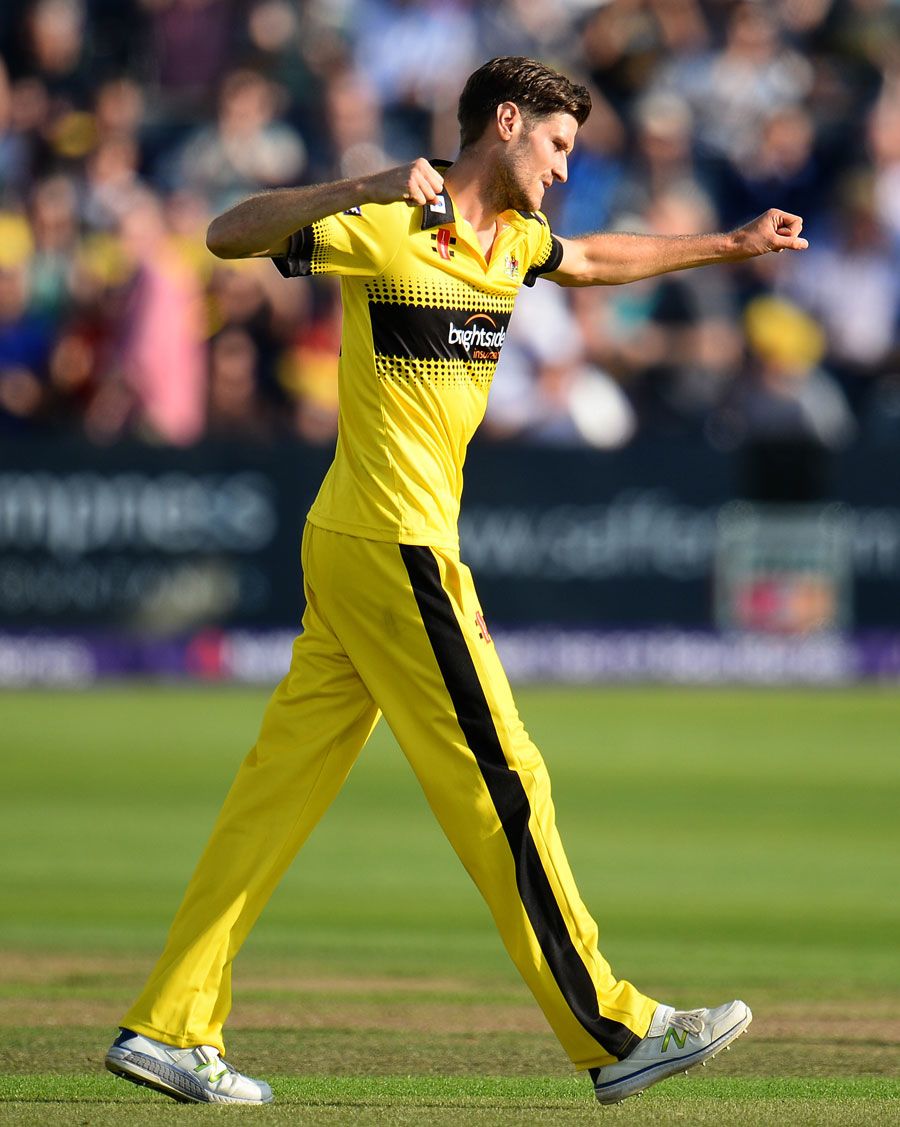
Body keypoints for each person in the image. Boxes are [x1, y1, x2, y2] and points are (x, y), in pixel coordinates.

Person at [104, 56, 807, 1107]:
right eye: (559, 147)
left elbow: (595, 260)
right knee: (507, 780)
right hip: (394, 545)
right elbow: (227, 234)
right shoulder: (390, 221)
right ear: (506, 123)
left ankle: (169, 1022)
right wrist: (357, 186)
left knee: (273, 797)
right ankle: (614, 1029)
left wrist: (731, 243)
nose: (566, 170)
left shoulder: (514, 243)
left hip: (357, 545)